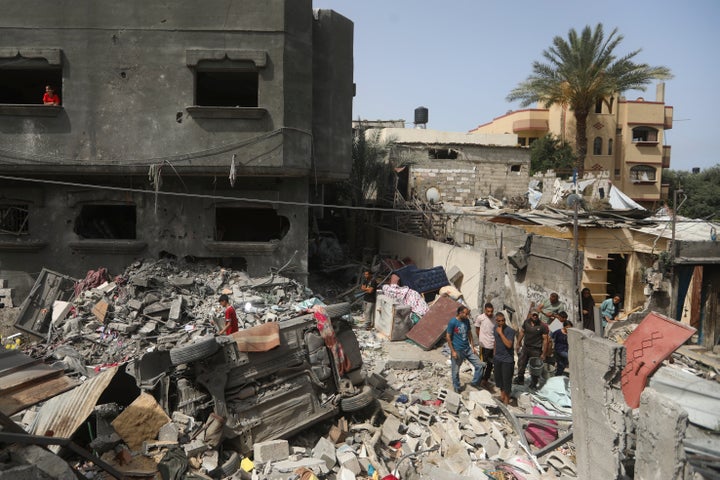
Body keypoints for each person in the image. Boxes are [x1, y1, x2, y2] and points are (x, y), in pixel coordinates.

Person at [446, 306, 485, 393]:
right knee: (455, 371)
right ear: (460, 313)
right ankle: (457, 388)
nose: (467, 316)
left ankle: (474, 383)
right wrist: (453, 351)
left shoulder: (466, 321)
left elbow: (469, 333)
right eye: (466, 314)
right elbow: (448, 337)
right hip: (457, 350)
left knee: (479, 365)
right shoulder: (453, 322)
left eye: (468, 314)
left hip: (467, 349)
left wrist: (472, 347)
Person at [513, 310, 549, 389]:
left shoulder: (542, 326)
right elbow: (522, 332)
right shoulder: (526, 322)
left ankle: (533, 383)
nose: (535, 316)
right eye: (533, 315)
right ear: (530, 315)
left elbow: (546, 340)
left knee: (535, 367)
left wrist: (544, 353)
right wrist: (518, 343)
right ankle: (520, 379)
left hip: (536, 350)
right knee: (521, 363)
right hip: (526, 347)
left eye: (536, 315)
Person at [493, 312, 515, 405]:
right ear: (496, 321)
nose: (501, 322)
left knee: (507, 381)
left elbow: (509, 345)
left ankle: (507, 399)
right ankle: (502, 396)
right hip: (498, 358)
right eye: (499, 321)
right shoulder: (495, 328)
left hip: (507, 360)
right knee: (499, 379)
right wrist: (494, 354)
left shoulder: (510, 331)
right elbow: (495, 341)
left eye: (503, 320)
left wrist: (501, 333)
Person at [474, 302, 496, 389]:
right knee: (482, 363)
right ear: (485, 310)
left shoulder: (495, 318)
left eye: (491, 311)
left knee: (490, 364)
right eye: (488, 311)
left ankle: (485, 380)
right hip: (483, 346)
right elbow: (477, 329)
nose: (490, 313)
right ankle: (478, 379)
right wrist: (481, 339)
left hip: (492, 346)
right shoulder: (480, 318)